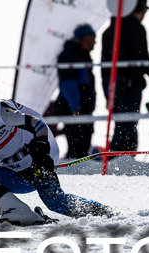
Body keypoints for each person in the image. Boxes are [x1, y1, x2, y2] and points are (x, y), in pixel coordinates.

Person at [0, 63, 112, 226]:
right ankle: (16, 211)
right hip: (13, 174)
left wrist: (42, 156)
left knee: (56, 202)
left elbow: (37, 124)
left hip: (36, 167)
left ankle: (102, 211)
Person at [101, 0, 149, 151]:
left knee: (121, 122)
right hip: (129, 84)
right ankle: (122, 158)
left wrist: (106, 89)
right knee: (127, 123)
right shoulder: (136, 28)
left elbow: (104, 66)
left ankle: (120, 157)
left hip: (112, 85)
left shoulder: (109, 31)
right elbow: (142, 58)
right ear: (139, 7)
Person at [55, 24, 97, 160]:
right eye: (92, 37)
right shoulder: (71, 54)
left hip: (82, 108)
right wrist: (75, 107)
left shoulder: (82, 55)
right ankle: (75, 174)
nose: (95, 41)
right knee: (77, 146)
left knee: (82, 146)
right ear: (84, 38)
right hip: (74, 109)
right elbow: (68, 83)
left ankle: (79, 172)